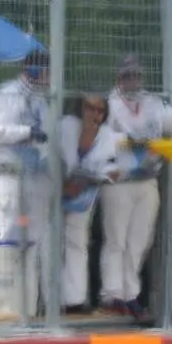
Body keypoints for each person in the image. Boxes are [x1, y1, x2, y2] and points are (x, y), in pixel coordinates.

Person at [102, 53, 172, 319]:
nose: (133, 80)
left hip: (147, 180)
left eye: (136, 75)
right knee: (116, 237)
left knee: (140, 239)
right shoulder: (109, 104)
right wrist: (127, 139)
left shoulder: (152, 103)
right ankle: (112, 293)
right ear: (119, 77)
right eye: (128, 75)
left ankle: (130, 294)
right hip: (119, 179)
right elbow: (101, 136)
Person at [0, 48, 54, 314]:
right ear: (34, 70)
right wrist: (26, 132)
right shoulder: (7, 93)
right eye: (46, 70)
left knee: (32, 238)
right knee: (10, 234)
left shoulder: (41, 100)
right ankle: (2, 308)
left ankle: (28, 308)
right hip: (10, 173)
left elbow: (46, 137)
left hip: (34, 176)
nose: (49, 77)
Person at [59, 92, 120, 314]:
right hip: (53, 191)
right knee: (49, 245)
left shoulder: (106, 135)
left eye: (99, 110)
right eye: (89, 107)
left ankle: (74, 301)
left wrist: (107, 174)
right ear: (79, 108)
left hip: (83, 194)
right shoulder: (64, 126)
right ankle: (47, 302)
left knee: (77, 242)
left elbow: (109, 166)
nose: (94, 113)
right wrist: (62, 183)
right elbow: (50, 156)